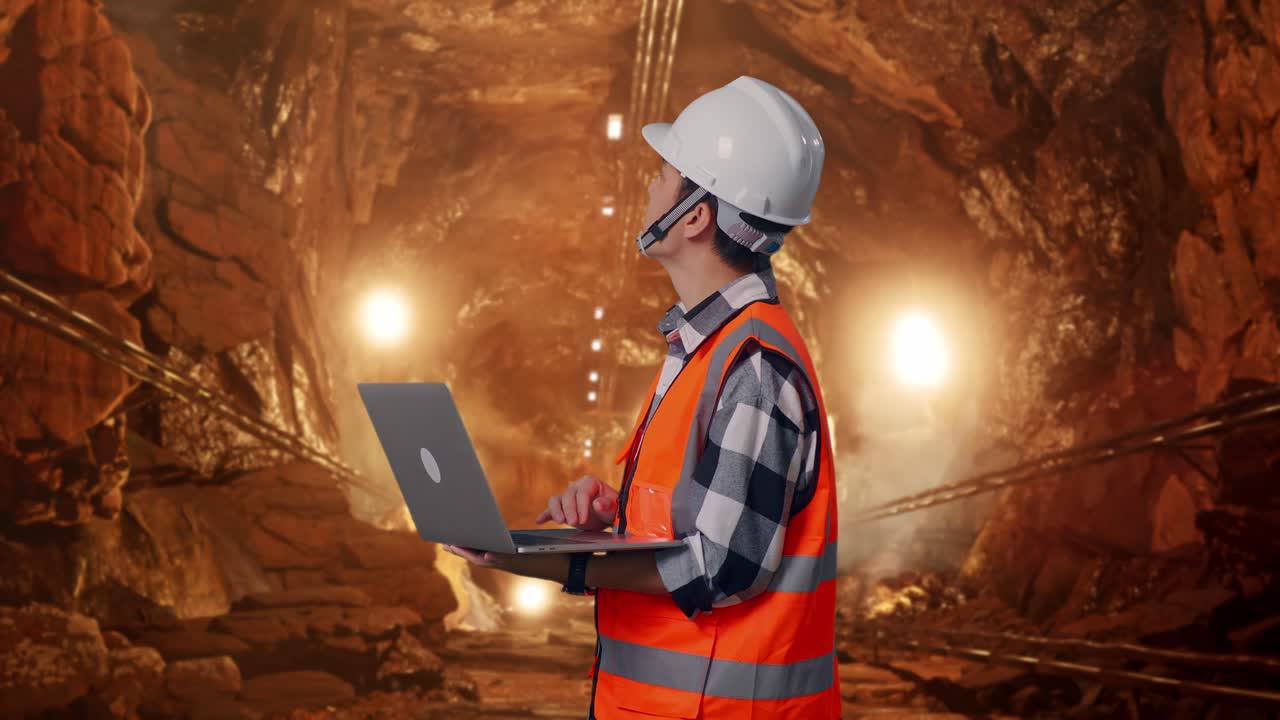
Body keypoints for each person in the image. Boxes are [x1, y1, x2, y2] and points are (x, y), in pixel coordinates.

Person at [444, 75, 840, 719]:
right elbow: (700, 524)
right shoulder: (705, 349)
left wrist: (560, 565)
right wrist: (620, 519)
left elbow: (721, 568)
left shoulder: (755, 366)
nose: (648, 187)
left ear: (695, 216)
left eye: (662, 175)